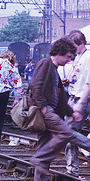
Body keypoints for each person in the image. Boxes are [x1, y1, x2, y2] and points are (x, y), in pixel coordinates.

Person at [29, 37, 80, 181]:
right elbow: (35, 86)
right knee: (66, 133)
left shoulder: (54, 68)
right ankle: (38, 159)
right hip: (45, 111)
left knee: (44, 147)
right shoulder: (45, 63)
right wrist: (43, 107)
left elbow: (60, 97)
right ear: (60, 52)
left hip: (49, 110)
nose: (69, 60)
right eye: (68, 56)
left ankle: (40, 173)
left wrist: (71, 112)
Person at [61, 30, 90, 177]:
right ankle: (72, 169)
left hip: (82, 99)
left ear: (81, 43)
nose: (72, 50)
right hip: (74, 97)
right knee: (70, 134)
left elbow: (89, 83)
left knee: (66, 132)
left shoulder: (89, 57)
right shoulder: (79, 56)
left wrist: (81, 102)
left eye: (74, 46)